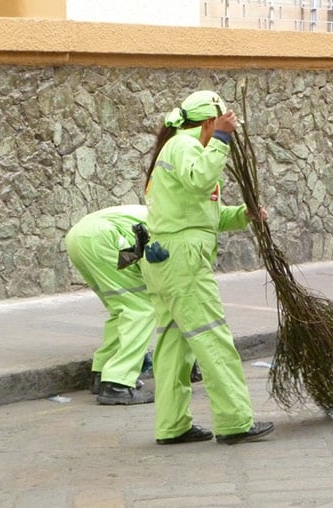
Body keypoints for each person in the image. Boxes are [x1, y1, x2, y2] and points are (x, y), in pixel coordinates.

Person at [141, 90, 274, 446]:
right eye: (215, 126)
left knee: (173, 344)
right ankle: (234, 421)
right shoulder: (186, 147)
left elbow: (203, 215)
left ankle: (172, 425)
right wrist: (223, 139)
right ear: (208, 123)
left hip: (166, 257)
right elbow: (201, 179)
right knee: (212, 336)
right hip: (182, 261)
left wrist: (243, 215)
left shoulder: (181, 150)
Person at [65, 205, 155, 405]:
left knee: (121, 307)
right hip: (102, 236)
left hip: (78, 236)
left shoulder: (160, 212)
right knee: (141, 309)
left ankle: (102, 370)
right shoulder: (178, 227)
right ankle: (118, 383)